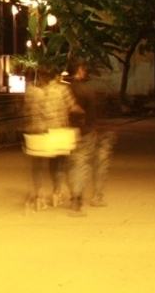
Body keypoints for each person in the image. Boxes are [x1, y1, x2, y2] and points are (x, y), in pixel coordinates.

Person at [24, 69, 79, 210]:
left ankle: (39, 197)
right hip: (57, 132)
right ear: (55, 76)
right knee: (58, 164)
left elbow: (26, 110)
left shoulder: (31, 91)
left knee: (37, 167)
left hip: (37, 132)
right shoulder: (62, 90)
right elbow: (72, 107)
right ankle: (56, 194)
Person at [67, 62, 116, 212]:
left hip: (69, 133)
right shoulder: (87, 90)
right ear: (80, 71)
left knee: (76, 166)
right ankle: (97, 197)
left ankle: (75, 196)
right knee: (99, 164)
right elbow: (92, 115)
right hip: (86, 132)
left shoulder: (65, 89)